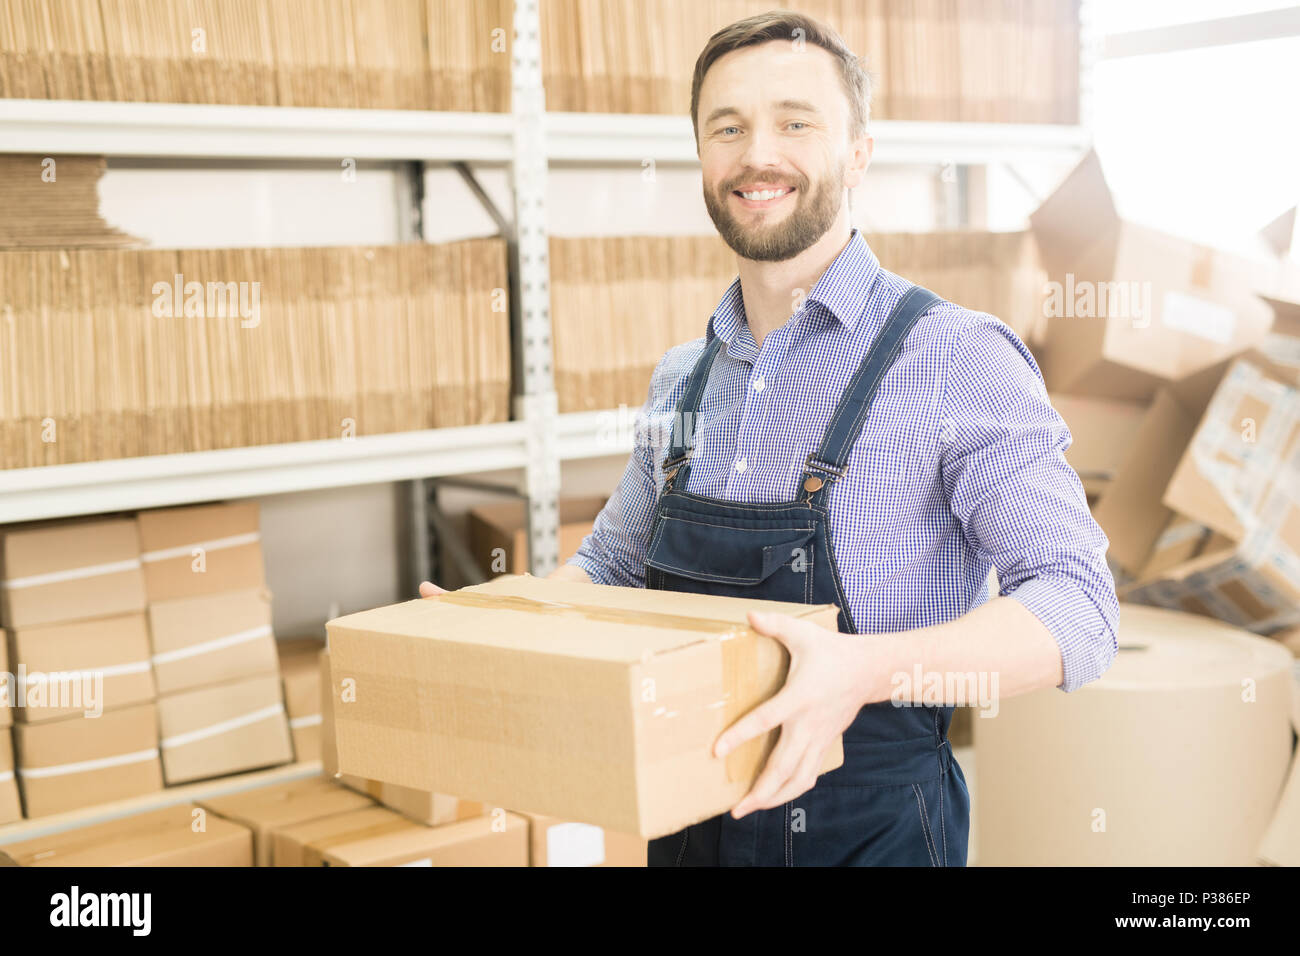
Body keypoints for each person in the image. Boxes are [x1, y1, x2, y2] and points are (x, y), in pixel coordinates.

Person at [423, 10, 1118, 867]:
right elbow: (608, 568)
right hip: (685, 821)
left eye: (795, 122)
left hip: (868, 832)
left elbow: (1080, 607)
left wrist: (865, 671)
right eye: (729, 128)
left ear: (857, 150)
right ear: (704, 159)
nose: (759, 155)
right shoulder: (684, 377)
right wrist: (510, 623)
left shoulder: (954, 358)